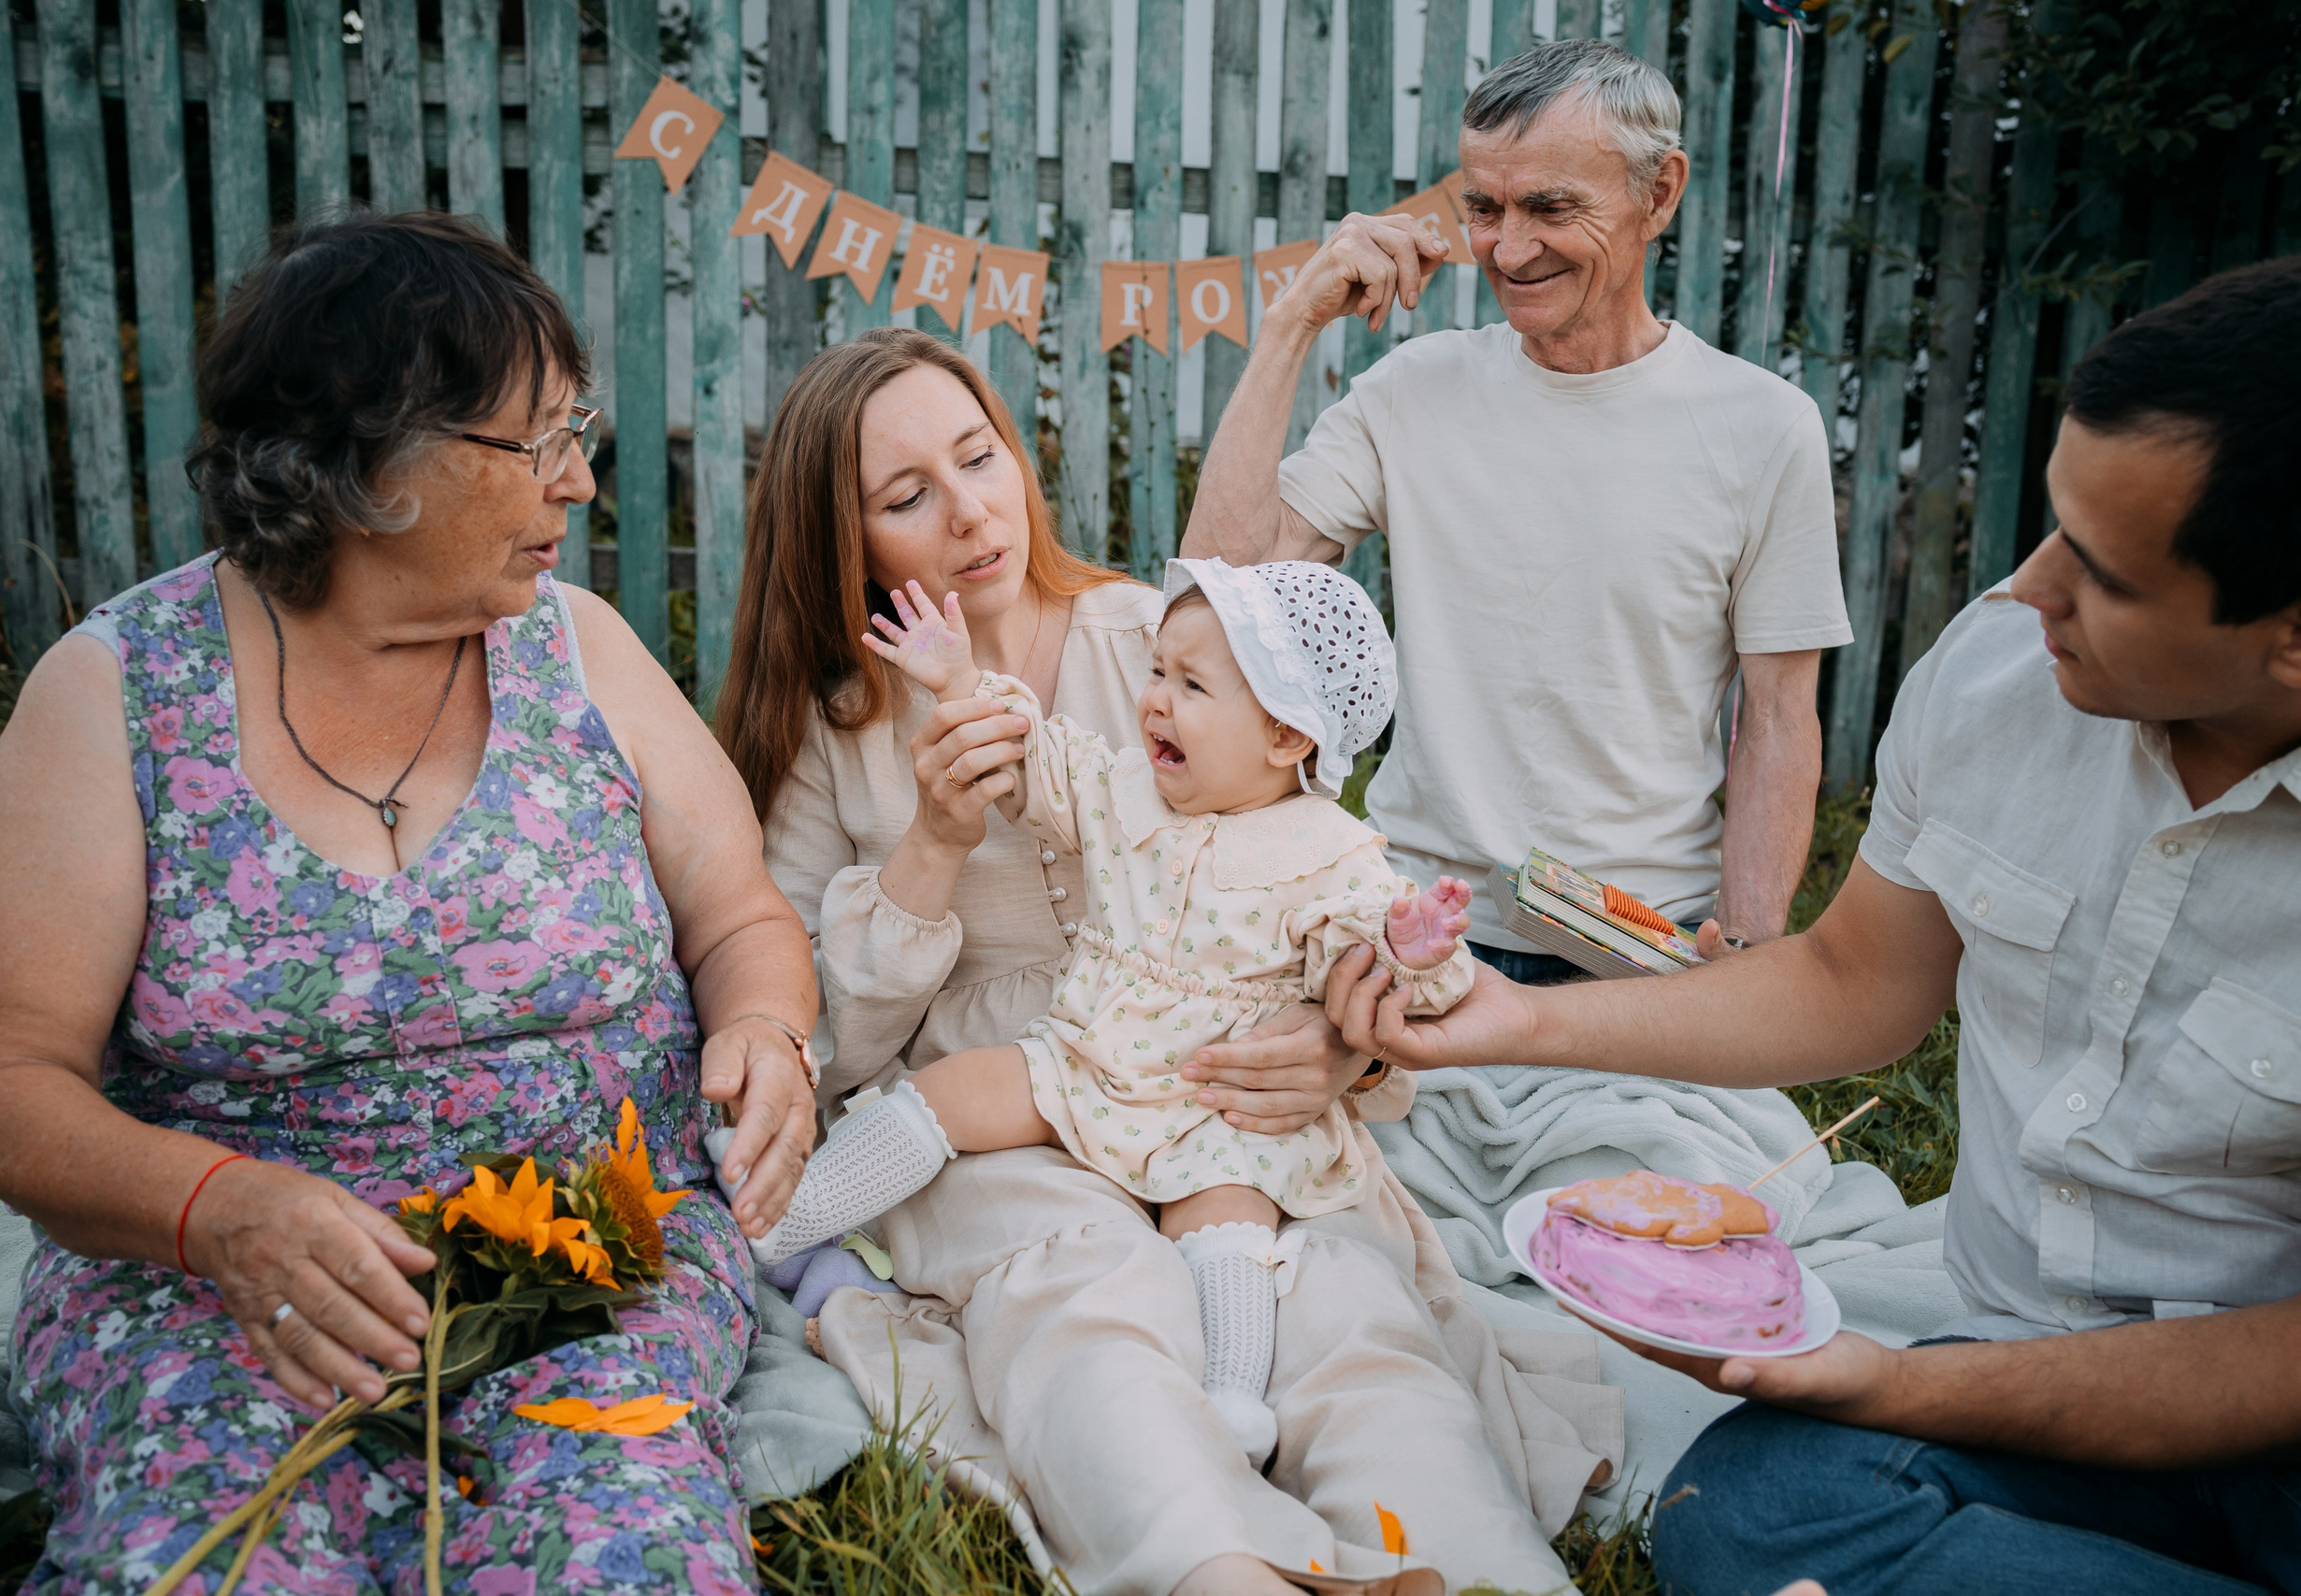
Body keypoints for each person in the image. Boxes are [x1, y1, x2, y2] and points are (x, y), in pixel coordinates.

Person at [1322, 254, 2301, 1595]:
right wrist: (1524, 1017)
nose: (2031, 589)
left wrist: (1892, 1384)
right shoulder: (2005, 673)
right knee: (1748, 1506)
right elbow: (1851, 979)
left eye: (2103, 573)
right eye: (2049, 524)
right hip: (2018, 1360)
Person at [713, 327, 1616, 1596]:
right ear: (844, 543)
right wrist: (931, 844)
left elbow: (1316, 882)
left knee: (1342, 1314)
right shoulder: (836, 726)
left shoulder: (1160, 635)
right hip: (1010, 1106)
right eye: (909, 496)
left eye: (980, 456)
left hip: (1227, 1096)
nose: (973, 511)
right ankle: (1213, 1566)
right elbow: (823, 1040)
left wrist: (1337, 1042)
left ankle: (1477, 1571)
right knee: (1090, 1301)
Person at [0, 212, 818, 1589]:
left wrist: (769, 1030)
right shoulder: (117, 692)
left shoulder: (584, 650)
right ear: (373, 461)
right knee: (205, 1557)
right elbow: (18, 1076)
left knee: (623, 1549)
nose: (579, 481)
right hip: (219, 1283)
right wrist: (215, 1207)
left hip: (587, 1257)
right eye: (539, 439)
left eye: (582, 430)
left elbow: (739, 916)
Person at [737, 558, 1475, 1465]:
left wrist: (1414, 950)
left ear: (1286, 737)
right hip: (1084, 1058)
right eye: (1158, 672)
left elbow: (1385, 991)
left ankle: (1233, 1394)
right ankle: (780, 1221)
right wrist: (961, 683)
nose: (1156, 699)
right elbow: (1034, 757)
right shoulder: (1126, 789)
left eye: (1192, 685)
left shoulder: (1331, 855)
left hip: (1218, 1103)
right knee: (958, 1087)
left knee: (1227, 1217)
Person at [1181, 38, 1848, 971]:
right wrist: (1294, 320)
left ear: (1659, 194)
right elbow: (1223, 593)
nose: (1509, 247)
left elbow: (1778, 718)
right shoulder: (1413, 389)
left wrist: (1743, 952)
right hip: (1410, 924)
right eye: (1484, 209)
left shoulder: (1765, 427)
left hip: (1641, 938)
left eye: (1550, 207)